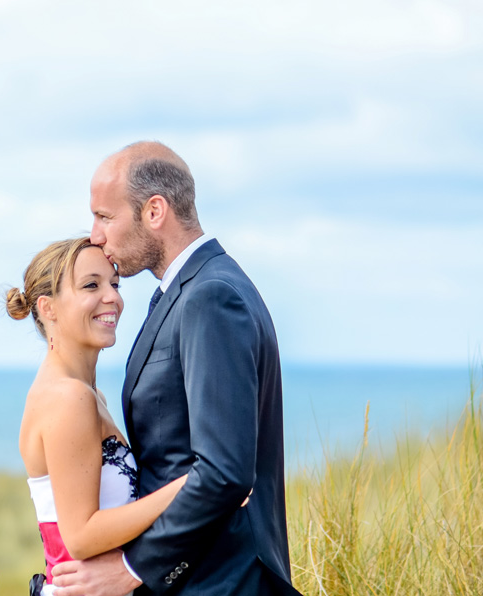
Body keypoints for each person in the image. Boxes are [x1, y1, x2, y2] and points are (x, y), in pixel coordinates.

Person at [50, 142, 301, 596]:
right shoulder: (186, 292)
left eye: (105, 216)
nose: (95, 236)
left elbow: (224, 472)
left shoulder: (211, 297)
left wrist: (132, 569)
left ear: (154, 211)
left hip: (223, 582)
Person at [5, 237, 191, 596]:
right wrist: (192, 485)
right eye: (92, 285)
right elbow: (81, 536)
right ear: (48, 308)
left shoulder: (88, 394)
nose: (113, 297)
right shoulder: (67, 397)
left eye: (115, 284)